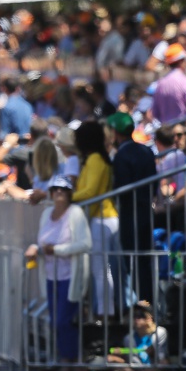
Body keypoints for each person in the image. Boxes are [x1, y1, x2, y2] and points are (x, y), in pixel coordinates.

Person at [25, 175, 91, 371]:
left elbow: (85, 244)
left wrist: (58, 250)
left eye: (63, 190)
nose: (59, 193)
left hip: (71, 276)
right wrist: (36, 248)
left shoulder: (76, 213)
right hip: (51, 276)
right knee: (56, 321)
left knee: (65, 321)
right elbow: (42, 241)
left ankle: (75, 367)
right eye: (55, 190)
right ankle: (66, 366)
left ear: (70, 193)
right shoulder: (46, 214)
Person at [108, 112, 157, 303]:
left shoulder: (121, 155)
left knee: (131, 259)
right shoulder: (146, 151)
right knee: (144, 260)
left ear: (116, 133)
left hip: (130, 213)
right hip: (146, 211)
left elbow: (122, 187)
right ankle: (147, 301)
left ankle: (136, 304)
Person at [72, 121, 119, 318]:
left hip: (102, 220)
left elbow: (90, 191)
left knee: (100, 270)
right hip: (102, 218)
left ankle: (104, 313)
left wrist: (67, 197)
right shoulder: (99, 158)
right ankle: (103, 310)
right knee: (101, 269)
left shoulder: (95, 160)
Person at [107, 301, 168, 371]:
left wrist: (153, 351)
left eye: (140, 316)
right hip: (135, 368)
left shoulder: (160, 332)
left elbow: (162, 359)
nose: (136, 319)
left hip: (151, 368)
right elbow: (130, 359)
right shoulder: (128, 338)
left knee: (163, 365)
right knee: (110, 359)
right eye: (134, 316)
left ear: (149, 319)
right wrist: (121, 353)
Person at [151, 43, 186, 124]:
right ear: (182, 61)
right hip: (182, 130)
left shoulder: (160, 84)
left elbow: (155, 113)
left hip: (165, 131)